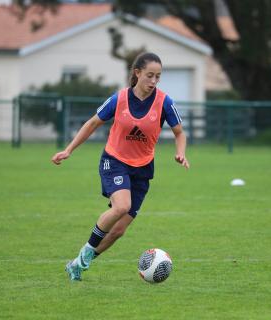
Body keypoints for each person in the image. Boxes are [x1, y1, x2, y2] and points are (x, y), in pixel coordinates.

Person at [51, 52, 189, 282]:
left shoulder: (165, 102)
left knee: (118, 231)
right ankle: (84, 255)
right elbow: (93, 123)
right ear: (137, 73)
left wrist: (180, 153)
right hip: (114, 161)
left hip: (142, 170)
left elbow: (179, 133)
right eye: (149, 76)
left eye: (158, 77)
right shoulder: (120, 98)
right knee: (121, 206)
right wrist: (68, 150)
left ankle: (77, 264)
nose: (154, 81)